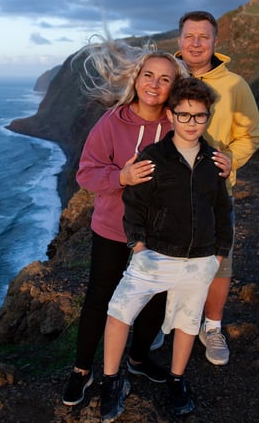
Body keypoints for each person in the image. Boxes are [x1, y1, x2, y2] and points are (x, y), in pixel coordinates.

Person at [61, 41, 196, 406]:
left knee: (155, 298)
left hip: (159, 234)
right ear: (136, 79)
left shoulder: (177, 124)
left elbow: (200, 161)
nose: (154, 84)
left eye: (164, 79)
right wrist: (121, 176)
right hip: (113, 228)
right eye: (148, 75)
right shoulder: (112, 122)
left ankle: (137, 358)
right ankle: (81, 371)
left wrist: (223, 164)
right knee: (99, 298)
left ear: (174, 87)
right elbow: (87, 172)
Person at [100, 76, 234, 421]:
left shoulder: (214, 160)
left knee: (188, 322)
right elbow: (135, 204)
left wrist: (219, 251)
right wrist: (139, 245)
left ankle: (177, 380)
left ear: (208, 116)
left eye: (199, 116)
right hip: (154, 255)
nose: (192, 123)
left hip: (200, 259)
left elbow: (222, 208)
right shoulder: (154, 157)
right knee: (119, 313)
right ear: (171, 115)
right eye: (184, 115)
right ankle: (111, 381)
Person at [175, 10, 259, 366]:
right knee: (164, 258)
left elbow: (250, 135)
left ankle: (211, 328)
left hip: (214, 193)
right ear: (178, 41)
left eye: (204, 37)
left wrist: (231, 157)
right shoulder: (167, 77)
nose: (196, 43)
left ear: (215, 42)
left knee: (217, 263)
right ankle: (165, 324)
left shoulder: (235, 85)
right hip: (167, 190)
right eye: (190, 36)